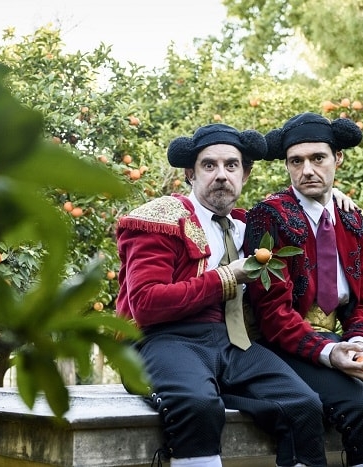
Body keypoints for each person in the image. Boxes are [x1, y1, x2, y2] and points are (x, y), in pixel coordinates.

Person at [115, 123, 329, 467]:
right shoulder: (160, 217)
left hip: (233, 343)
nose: (221, 175)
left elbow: (307, 210)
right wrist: (227, 277)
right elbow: (145, 304)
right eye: (208, 165)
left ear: (245, 174)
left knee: (303, 405)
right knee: (198, 405)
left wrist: (335, 197)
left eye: (231, 165)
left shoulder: (249, 226)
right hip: (163, 340)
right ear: (190, 173)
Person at [244, 113, 363, 467]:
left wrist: (359, 344)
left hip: (343, 342)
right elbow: (272, 314)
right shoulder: (269, 216)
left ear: (338, 158)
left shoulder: (350, 217)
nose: (307, 170)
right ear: (287, 165)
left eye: (318, 158)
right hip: (286, 348)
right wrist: (329, 351)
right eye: (296, 161)